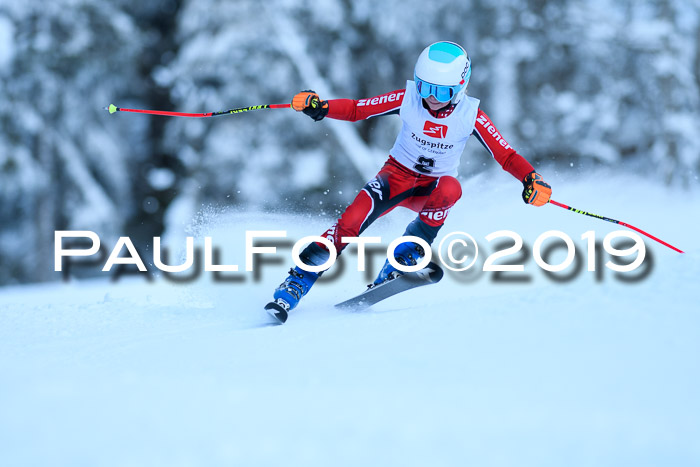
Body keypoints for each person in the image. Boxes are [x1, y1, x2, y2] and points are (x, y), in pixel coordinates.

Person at [265, 41, 552, 322]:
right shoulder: (408, 98)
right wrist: (321, 107)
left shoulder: (470, 115)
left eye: (442, 91)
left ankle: (403, 256)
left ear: (461, 87)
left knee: (452, 188)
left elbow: (506, 154)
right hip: (395, 178)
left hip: (431, 189)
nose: (431, 97)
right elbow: (357, 109)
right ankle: (296, 282)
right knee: (350, 221)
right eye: (425, 87)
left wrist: (531, 178)